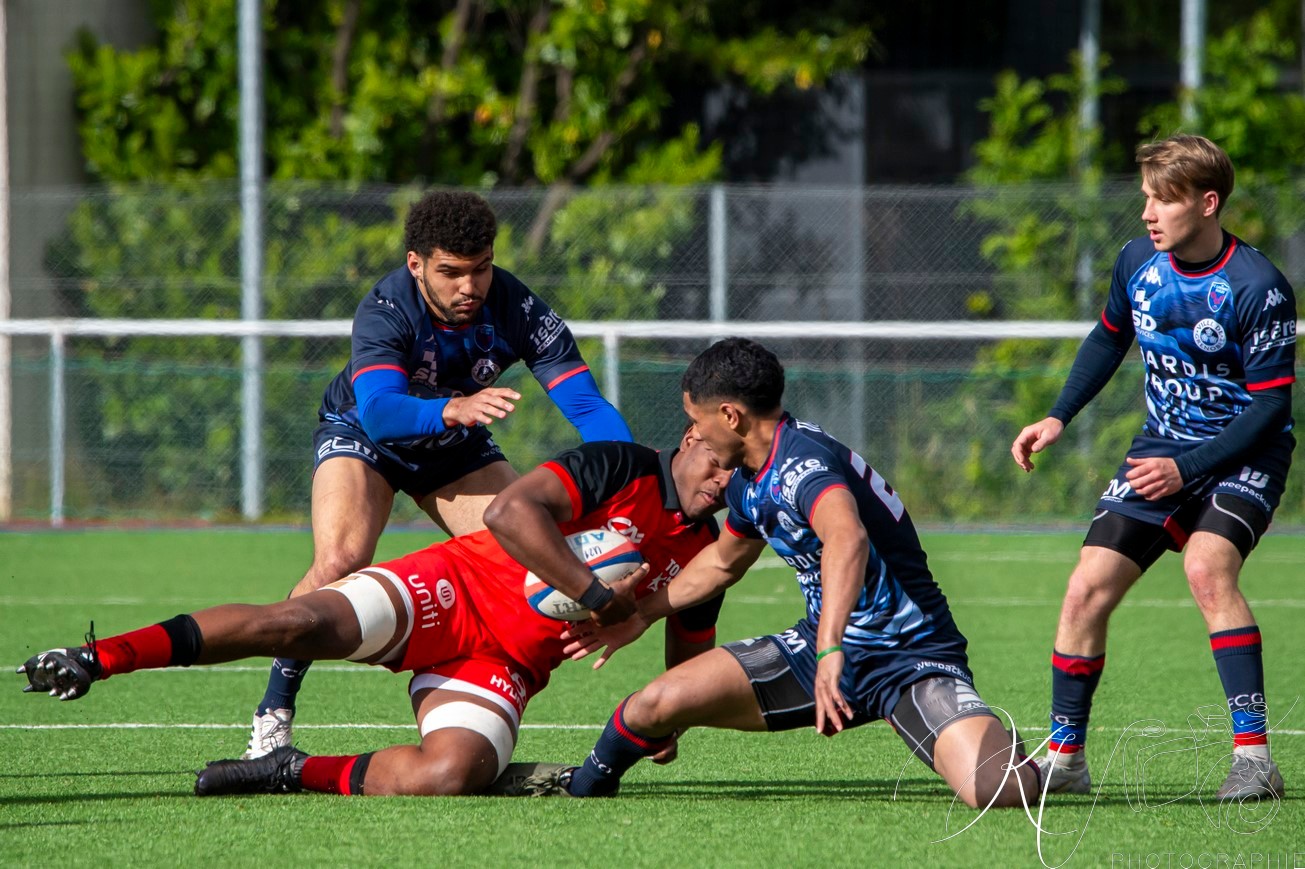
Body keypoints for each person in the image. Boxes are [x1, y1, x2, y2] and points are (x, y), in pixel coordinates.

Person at [17, 430, 728, 798]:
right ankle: (100, 656)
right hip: (451, 588)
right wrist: (600, 594)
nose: (721, 484)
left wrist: (669, 717)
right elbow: (514, 513)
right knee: (295, 623)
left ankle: (290, 771)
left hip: (503, 661)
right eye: (718, 465)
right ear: (691, 437)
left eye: (737, 477)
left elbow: (692, 636)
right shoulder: (623, 465)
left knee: (453, 773)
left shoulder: (709, 549)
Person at [513, 338, 1039, 808]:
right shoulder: (746, 481)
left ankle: (1038, 762)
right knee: (656, 703)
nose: (692, 433)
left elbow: (847, 537)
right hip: (816, 650)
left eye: (696, 420)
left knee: (997, 790)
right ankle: (584, 786)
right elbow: (721, 562)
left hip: (911, 657)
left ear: (730, 415)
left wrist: (833, 648)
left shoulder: (801, 464)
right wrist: (642, 615)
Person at [246, 189, 633, 759]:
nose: (469, 288)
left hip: (453, 442)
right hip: (364, 435)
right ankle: (274, 710)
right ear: (416, 263)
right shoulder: (385, 307)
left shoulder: (519, 308)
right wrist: (452, 408)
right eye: (451, 272)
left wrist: (633, 478)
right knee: (340, 561)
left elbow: (587, 408)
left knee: (530, 558)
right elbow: (379, 411)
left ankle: (466, 695)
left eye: (480, 269)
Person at [1010, 135, 1295, 800]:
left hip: (1241, 457)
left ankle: (1254, 759)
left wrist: (1186, 467)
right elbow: (1109, 335)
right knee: (1084, 587)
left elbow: (1267, 408)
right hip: (1158, 449)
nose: (1146, 212)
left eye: (1161, 199)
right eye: (1144, 196)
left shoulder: (1257, 287)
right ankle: (1066, 758)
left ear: (1206, 203)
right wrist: (1058, 415)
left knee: (1205, 567)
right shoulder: (1137, 261)